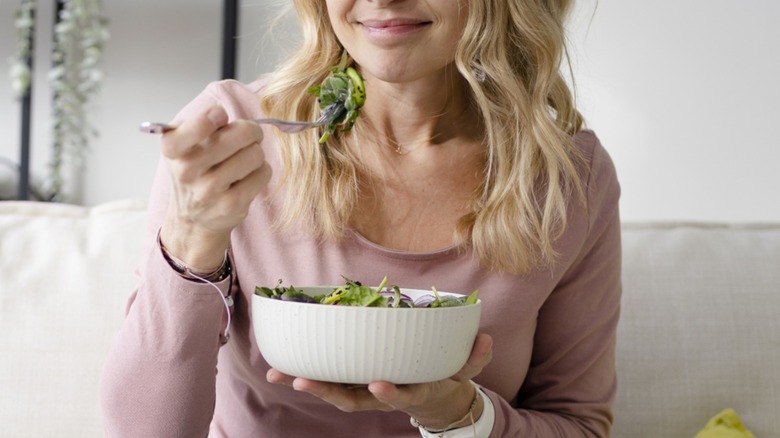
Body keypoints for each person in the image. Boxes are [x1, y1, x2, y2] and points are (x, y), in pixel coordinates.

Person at [100, 0, 621, 436]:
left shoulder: (569, 176)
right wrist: (192, 235)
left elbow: (577, 424)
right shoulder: (236, 139)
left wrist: (459, 415)